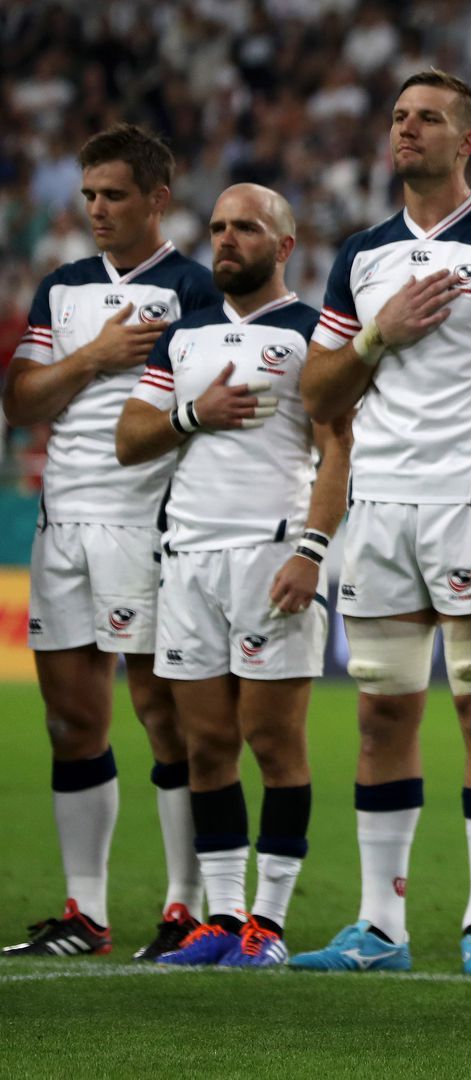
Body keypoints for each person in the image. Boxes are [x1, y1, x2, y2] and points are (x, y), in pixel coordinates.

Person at [292, 69, 471, 977]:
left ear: (468, 141)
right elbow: (319, 393)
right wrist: (376, 334)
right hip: (374, 512)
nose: (408, 129)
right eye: (399, 114)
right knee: (380, 718)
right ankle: (381, 927)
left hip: (470, 510)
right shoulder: (362, 255)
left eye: (430, 119)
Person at [113, 183, 349, 968]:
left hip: (271, 553)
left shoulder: (314, 334)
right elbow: (131, 436)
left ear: (284, 245)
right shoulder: (183, 339)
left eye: (245, 228)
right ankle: (222, 917)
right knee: (205, 742)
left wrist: (312, 551)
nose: (225, 240)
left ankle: (270, 925)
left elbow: (339, 451)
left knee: (273, 741)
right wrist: (192, 415)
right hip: (187, 559)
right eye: (216, 227)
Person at [2, 124, 219, 961]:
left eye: (114, 195)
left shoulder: (196, 289)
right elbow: (21, 400)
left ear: (157, 199)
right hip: (62, 527)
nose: (96, 209)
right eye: (89, 195)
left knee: (165, 719)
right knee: (71, 723)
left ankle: (181, 908)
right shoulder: (61, 291)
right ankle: (85, 914)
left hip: (149, 525)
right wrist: (93, 357)